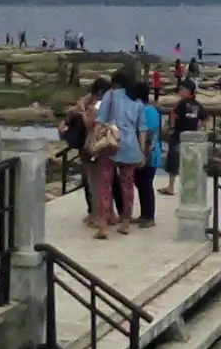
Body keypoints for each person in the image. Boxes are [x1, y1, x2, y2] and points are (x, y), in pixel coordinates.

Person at [92, 71, 146, 238]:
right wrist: (142, 152)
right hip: (130, 147)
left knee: (105, 185)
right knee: (128, 185)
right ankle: (126, 222)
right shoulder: (137, 101)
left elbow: (100, 119)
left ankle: (103, 225)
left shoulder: (110, 95)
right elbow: (142, 130)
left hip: (111, 144)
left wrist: (94, 141)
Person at [67, 77, 110, 226]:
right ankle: (106, 214)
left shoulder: (95, 106)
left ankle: (97, 215)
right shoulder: (110, 104)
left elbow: (88, 123)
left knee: (93, 182)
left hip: (93, 145)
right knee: (104, 182)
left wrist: (83, 112)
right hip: (106, 145)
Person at [160, 80, 206, 195]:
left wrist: (171, 128)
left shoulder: (181, 103)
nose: (180, 91)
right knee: (190, 163)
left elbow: (173, 115)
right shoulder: (197, 105)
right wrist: (197, 127)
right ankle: (191, 188)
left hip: (178, 136)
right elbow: (205, 118)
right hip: (191, 137)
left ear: (188, 91)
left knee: (173, 161)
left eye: (182, 89)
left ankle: (171, 186)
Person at [133, 82, 163, 227]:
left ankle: (150, 217)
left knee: (146, 184)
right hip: (143, 152)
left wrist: (143, 155)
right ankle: (144, 214)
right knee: (140, 183)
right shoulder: (149, 110)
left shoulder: (147, 111)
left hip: (148, 153)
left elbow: (148, 135)